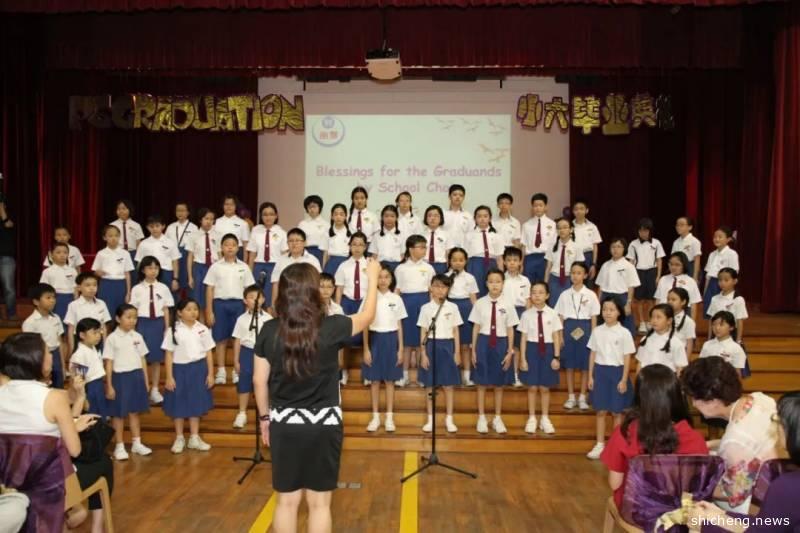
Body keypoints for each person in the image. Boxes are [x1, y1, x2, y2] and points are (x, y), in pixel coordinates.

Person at [253, 259, 380, 533]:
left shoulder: (268, 330)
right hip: (324, 425)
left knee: (286, 502)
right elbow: (368, 315)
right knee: (320, 504)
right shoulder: (332, 326)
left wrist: (265, 418)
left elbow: (259, 381)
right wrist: (372, 277)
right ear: (313, 291)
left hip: (284, 424)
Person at [0, 333, 102, 532]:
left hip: (8, 486)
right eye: (47, 352)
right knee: (102, 464)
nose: (51, 356)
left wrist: (74, 392)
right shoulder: (53, 398)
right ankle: (84, 515)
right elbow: (74, 450)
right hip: (45, 489)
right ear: (37, 360)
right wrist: (75, 425)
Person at [681, 357, 783, 512]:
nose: (694, 404)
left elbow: (734, 493)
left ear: (713, 400)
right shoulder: (760, 398)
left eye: (695, 398)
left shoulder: (734, 440)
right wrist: (710, 444)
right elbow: (752, 444)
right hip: (783, 475)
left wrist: (696, 488)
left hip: (763, 500)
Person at [600, 364, 708, 509]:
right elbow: (698, 484)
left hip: (636, 511)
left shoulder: (625, 433)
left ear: (639, 396)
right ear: (676, 396)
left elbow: (615, 484)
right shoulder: (694, 437)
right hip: (679, 512)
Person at [689, 391, 800, 532]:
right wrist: (721, 515)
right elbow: (771, 523)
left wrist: (705, 524)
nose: (775, 425)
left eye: (778, 421)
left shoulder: (787, 486)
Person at [162, 298, 216, 454]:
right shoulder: (173, 330)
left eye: (195, 309)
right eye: (188, 309)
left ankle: (194, 437)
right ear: (179, 313)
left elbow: (208, 352)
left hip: (198, 370)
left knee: (195, 404)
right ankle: (179, 437)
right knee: (178, 404)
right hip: (179, 370)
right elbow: (169, 355)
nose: (193, 312)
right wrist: (169, 376)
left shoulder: (203, 329)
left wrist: (210, 373)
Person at [586, 297, 636, 460]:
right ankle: (599, 444)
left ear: (619, 312)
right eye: (605, 309)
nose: (607, 312)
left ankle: (616, 445)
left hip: (617, 373)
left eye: (612, 309)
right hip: (600, 372)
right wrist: (591, 376)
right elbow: (593, 354)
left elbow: (627, 357)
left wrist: (624, 379)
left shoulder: (624, 333)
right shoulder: (597, 331)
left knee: (616, 412)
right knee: (600, 411)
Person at [470, 269, 518, 434]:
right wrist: (473, 349)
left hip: (501, 343)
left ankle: (497, 418)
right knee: (481, 383)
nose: (494, 285)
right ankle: (481, 417)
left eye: (498, 281)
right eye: (491, 281)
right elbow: (476, 327)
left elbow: (510, 329)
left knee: (499, 383)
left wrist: (510, 351)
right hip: (483, 342)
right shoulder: (480, 303)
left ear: (503, 284)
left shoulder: (508, 304)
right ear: (486, 284)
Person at [103, 304, 152, 461]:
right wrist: (109, 384)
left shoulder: (137, 336)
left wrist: (146, 381)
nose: (132, 320)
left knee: (135, 412)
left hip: (136, 376)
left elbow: (143, 359)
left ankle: (137, 442)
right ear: (118, 319)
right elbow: (109, 362)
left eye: (135, 317)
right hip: (120, 378)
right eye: (128, 317)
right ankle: (119, 445)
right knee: (119, 414)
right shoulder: (112, 338)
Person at [205, 234, 255, 385]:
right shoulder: (215, 267)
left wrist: (248, 310)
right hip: (220, 304)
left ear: (238, 248)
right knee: (220, 338)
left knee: (237, 339)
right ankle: (221, 370)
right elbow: (209, 289)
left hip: (239, 305)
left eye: (233, 245)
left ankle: (236, 370)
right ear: (221, 248)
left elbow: (249, 290)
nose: (230, 247)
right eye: (227, 244)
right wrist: (209, 311)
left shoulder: (244, 267)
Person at [362, 263, 407, 433]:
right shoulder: (370, 297)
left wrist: (400, 349)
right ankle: (375, 417)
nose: (382, 280)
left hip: (391, 340)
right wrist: (366, 348)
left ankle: (389, 417)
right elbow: (365, 324)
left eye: (386, 277)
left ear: (391, 279)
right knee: (374, 381)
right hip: (374, 339)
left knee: (389, 381)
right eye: (379, 277)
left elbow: (399, 325)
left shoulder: (396, 299)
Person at [418, 274, 462, 433]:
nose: (440, 289)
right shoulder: (425, 308)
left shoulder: (453, 307)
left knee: (449, 386)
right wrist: (423, 353)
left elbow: (456, 331)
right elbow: (423, 332)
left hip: (448, 346)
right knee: (430, 385)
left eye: (443, 287)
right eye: (436, 286)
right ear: (431, 288)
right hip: (431, 346)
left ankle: (449, 419)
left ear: (448, 289)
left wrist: (457, 352)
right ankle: (430, 419)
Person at [518, 281, 562, 435]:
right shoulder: (526, 315)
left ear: (547, 295)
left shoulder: (553, 313)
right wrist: (523, 358)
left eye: (541, 292)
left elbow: (556, 336)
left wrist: (556, 357)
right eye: (534, 292)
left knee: (544, 387)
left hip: (548, 351)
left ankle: (545, 418)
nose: (537, 295)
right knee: (532, 387)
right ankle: (532, 418)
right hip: (532, 350)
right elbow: (523, 338)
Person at [555, 262, 599, 411]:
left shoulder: (591, 294)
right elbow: (560, 317)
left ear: (585, 275)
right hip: (568, 329)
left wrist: (593, 336)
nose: (575, 276)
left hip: (585, 329)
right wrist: (560, 336)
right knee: (569, 366)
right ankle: (571, 396)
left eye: (579, 273)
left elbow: (594, 317)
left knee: (585, 366)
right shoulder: (564, 294)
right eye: (573, 272)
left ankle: (582, 397)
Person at [129, 256, 174, 404]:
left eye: (156, 268)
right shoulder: (136, 289)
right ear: (143, 270)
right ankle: (141, 389)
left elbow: (166, 309)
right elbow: (133, 310)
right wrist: (132, 329)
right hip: (142, 323)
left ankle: (154, 389)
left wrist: (166, 328)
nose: (153, 271)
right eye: (150, 268)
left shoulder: (163, 288)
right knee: (139, 357)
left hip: (157, 324)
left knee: (155, 359)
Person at [394, 235, 436, 387]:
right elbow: (397, 290)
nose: (424, 250)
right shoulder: (401, 268)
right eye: (421, 247)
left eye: (425, 247)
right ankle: (403, 375)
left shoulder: (429, 268)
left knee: (421, 342)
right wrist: (394, 307)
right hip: (406, 303)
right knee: (406, 342)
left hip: (423, 302)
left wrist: (432, 307)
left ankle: (421, 376)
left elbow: (432, 290)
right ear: (411, 249)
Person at [231, 285, 271, 429]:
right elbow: (237, 340)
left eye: (258, 297)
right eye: (251, 297)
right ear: (245, 301)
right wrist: (236, 360)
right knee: (244, 381)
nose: (255, 300)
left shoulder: (268, 318)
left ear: (263, 299)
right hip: (247, 352)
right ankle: (242, 413)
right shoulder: (241, 319)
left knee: (265, 381)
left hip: (264, 353)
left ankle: (265, 413)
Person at [334, 232, 369, 385]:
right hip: (347, 303)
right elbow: (339, 289)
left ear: (365, 247)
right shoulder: (343, 266)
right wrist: (337, 308)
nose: (357, 248)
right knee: (345, 338)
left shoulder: (370, 264)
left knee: (368, 338)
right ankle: (343, 370)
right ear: (349, 246)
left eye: (360, 244)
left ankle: (368, 373)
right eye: (354, 244)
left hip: (365, 302)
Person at [22, 284, 67, 389]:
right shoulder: (30, 322)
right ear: (36, 302)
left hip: (56, 354)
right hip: (40, 356)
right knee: (43, 387)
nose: (52, 300)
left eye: (54, 297)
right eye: (48, 297)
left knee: (59, 386)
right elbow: (29, 348)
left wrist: (63, 366)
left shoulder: (56, 318)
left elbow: (59, 342)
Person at [446, 248, 479, 387]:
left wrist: (477, 316)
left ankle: (467, 375)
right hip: (449, 309)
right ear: (449, 261)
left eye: (461, 260)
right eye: (454, 260)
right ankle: (452, 376)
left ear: (466, 261)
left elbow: (473, 299)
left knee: (465, 345)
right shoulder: (445, 277)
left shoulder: (470, 278)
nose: (457, 263)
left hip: (466, 309)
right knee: (451, 344)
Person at [626, 218, 665, 334]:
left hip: (652, 272)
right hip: (638, 272)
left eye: (645, 231)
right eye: (641, 231)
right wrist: (630, 277)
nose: (643, 233)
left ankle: (650, 321)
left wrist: (658, 276)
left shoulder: (656, 243)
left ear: (650, 231)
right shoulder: (633, 244)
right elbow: (631, 262)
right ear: (638, 231)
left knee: (651, 300)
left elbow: (659, 260)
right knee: (639, 300)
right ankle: (642, 322)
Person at [596, 238, 641, 336]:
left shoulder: (629, 266)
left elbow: (631, 286)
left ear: (624, 249)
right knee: (604, 326)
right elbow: (601, 285)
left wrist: (628, 303)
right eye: (613, 247)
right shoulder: (605, 265)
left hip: (622, 297)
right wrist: (598, 302)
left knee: (625, 327)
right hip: (606, 297)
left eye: (619, 247)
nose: (615, 249)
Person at [247, 201, 288, 307]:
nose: (268, 217)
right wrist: (249, 273)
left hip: (275, 267)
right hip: (258, 267)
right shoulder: (255, 231)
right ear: (261, 216)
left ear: (276, 216)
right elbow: (252, 254)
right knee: (257, 297)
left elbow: (285, 254)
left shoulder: (282, 233)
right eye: (265, 214)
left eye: (271, 214)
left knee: (272, 298)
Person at [270, 228, 322, 309]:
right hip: (286, 302)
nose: (294, 244)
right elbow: (275, 283)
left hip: (308, 302)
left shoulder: (313, 260)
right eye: (291, 241)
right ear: (287, 243)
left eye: (297, 240)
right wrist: (274, 304)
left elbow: (318, 283)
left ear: (304, 243)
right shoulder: (281, 260)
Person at [501, 246, 530, 387]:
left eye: (515, 260)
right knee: (505, 344)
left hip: (520, 313)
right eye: (509, 260)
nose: (512, 263)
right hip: (503, 313)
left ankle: (515, 375)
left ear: (520, 262)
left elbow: (528, 301)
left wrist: (528, 317)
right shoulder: (500, 279)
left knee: (517, 346)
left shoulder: (525, 280)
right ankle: (503, 375)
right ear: (504, 262)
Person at [92, 224, 134, 322]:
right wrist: (98, 273)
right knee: (106, 311)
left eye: (116, 235)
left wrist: (128, 292)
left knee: (121, 311)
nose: (113, 238)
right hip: (106, 284)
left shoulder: (125, 253)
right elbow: (95, 271)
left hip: (121, 284)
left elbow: (127, 274)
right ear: (104, 237)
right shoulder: (101, 253)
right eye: (110, 236)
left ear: (119, 237)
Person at [69, 318, 109, 417]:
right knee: (92, 419)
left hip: (98, 386)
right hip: (89, 389)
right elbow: (79, 380)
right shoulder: (79, 355)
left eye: (99, 332)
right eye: (94, 333)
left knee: (101, 417)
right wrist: (85, 400)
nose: (98, 336)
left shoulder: (93, 347)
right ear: (82, 335)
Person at [186, 207, 222, 314]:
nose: (209, 221)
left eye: (211, 219)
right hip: (199, 268)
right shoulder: (193, 235)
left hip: (214, 267)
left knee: (213, 297)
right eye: (206, 218)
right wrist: (190, 276)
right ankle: (201, 322)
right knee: (199, 299)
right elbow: (190, 256)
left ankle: (211, 321)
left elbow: (220, 254)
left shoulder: (218, 235)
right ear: (200, 220)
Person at [64, 273, 111, 352]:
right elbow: (70, 329)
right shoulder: (73, 305)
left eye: (95, 285)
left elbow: (104, 327)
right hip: (81, 340)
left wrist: (105, 346)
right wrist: (72, 348)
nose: (92, 288)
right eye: (88, 285)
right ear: (79, 288)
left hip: (97, 340)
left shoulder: (102, 303)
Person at [635, 304, 688, 374]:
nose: (654, 320)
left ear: (669, 320)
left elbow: (680, 368)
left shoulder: (676, 342)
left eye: (658, 317)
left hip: (666, 378)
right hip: (647, 377)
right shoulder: (645, 339)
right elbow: (640, 363)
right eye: (652, 317)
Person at [464, 206, 505, 297]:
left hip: (491, 264)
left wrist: (501, 275)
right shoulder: (469, 235)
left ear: (490, 218)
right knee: (475, 290)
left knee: (492, 290)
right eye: (479, 216)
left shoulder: (496, 236)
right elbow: (465, 257)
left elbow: (499, 258)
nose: (482, 219)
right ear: (475, 219)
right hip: (474, 265)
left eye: (485, 216)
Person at [135, 215, 181, 292]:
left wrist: (175, 279)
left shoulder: (170, 242)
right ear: (147, 227)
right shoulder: (143, 243)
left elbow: (175, 261)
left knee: (166, 296)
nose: (154, 229)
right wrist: (140, 278)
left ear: (163, 226)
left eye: (157, 226)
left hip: (166, 273)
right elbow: (139, 262)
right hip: (148, 274)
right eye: (151, 226)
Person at [544, 217, 584, 307]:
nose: (562, 230)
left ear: (571, 229)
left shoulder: (577, 247)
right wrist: (545, 284)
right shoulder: (551, 246)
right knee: (553, 306)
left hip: (569, 280)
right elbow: (548, 267)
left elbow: (580, 269)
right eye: (559, 228)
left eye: (565, 227)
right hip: (554, 280)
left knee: (568, 306)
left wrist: (577, 284)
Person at [654, 251, 703, 320]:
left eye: (677, 265)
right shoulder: (663, 279)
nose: (673, 267)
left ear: (684, 265)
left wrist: (692, 323)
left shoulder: (690, 281)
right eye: (671, 264)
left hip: (683, 314)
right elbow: (658, 300)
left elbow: (693, 304)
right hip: (664, 314)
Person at [703, 226, 739, 317]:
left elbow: (734, 273)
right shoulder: (712, 254)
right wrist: (705, 291)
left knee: (722, 312)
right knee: (711, 312)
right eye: (715, 237)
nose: (717, 239)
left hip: (724, 284)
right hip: (711, 284)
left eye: (720, 237)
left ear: (728, 239)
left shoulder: (732, 254)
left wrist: (727, 288)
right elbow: (708, 275)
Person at [521, 193, 556, 284]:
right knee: (528, 285)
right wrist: (521, 263)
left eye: (540, 205)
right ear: (532, 208)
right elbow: (524, 245)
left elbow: (555, 246)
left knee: (543, 285)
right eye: (535, 206)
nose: (538, 208)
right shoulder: (526, 225)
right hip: (530, 259)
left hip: (546, 258)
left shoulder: (553, 224)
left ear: (546, 207)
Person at [166, 201, 198, 299]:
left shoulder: (193, 227)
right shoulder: (171, 227)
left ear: (188, 212)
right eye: (178, 210)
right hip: (173, 258)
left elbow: (196, 246)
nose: (180, 213)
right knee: (174, 283)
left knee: (187, 283)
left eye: (183, 210)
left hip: (187, 257)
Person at [700, 311, 747, 376]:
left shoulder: (736, 348)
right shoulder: (707, 345)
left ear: (731, 327)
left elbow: (737, 373)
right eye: (714, 324)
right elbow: (701, 367)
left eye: (721, 325)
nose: (717, 328)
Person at [707, 268, 748, 341]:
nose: (722, 283)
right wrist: (709, 338)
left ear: (735, 281)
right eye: (720, 280)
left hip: (731, 334)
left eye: (726, 280)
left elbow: (739, 322)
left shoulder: (738, 299)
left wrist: (738, 340)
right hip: (716, 333)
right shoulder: (714, 299)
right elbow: (711, 320)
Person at [39, 242, 77, 322]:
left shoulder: (72, 271)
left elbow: (75, 288)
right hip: (54, 299)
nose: (62, 255)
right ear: (51, 254)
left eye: (65, 252)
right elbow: (43, 289)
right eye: (58, 252)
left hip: (69, 298)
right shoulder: (47, 271)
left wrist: (76, 302)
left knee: (69, 321)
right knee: (56, 321)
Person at [571, 199, 602, 283]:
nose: (579, 211)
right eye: (576, 209)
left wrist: (593, 264)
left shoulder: (592, 226)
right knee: (574, 282)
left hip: (588, 256)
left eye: (581, 209)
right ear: (573, 211)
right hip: (574, 256)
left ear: (586, 210)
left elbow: (595, 246)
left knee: (588, 283)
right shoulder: (570, 227)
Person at [368, 205, 404, 270]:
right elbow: (374, 255)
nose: (389, 219)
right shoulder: (377, 235)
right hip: (380, 266)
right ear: (382, 218)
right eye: (386, 216)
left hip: (397, 266)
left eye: (392, 216)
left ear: (396, 218)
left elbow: (403, 255)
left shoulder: (402, 235)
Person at [214, 194, 250, 259]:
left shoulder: (243, 223)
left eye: (231, 204)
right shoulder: (216, 222)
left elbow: (245, 245)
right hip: (220, 254)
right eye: (226, 204)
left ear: (235, 206)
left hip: (238, 254)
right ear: (223, 206)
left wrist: (245, 262)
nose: (229, 207)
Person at [321, 203, 351, 276]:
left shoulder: (351, 232)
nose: (338, 217)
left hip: (346, 262)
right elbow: (325, 254)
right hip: (331, 263)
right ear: (332, 216)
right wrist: (323, 269)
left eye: (341, 214)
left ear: (345, 216)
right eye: (336, 214)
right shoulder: (327, 232)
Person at [110, 199, 144, 263]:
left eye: (124, 208)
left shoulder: (136, 225)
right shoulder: (112, 225)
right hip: (117, 252)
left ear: (129, 210)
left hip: (132, 253)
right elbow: (109, 241)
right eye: (119, 209)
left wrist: (138, 257)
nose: (121, 211)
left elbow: (138, 243)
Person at [667, 287, 697, 358]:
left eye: (673, 299)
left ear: (683, 302)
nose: (670, 302)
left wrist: (686, 361)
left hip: (679, 356)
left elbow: (689, 343)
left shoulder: (688, 321)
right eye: (668, 299)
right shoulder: (664, 318)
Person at [422, 205, 452, 275]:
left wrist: (449, 268)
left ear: (441, 218)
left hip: (441, 266)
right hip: (424, 265)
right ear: (426, 218)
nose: (433, 218)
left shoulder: (446, 235)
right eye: (429, 216)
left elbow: (448, 253)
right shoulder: (421, 235)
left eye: (436, 216)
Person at [298, 195, 327, 265]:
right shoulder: (302, 224)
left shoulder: (326, 224)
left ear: (319, 207)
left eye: (314, 206)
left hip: (320, 253)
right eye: (309, 207)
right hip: (305, 252)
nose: (312, 209)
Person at [671, 216, 702, 282]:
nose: (678, 227)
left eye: (682, 225)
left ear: (690, 227)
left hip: (690, 268)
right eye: (677, 225)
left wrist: (695, 276)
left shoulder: (694, 241)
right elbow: (673, 258)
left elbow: (697, 260)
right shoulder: (676, 242)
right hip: (678, 268)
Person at [442, 184, 472, 248]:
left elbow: (470, 235)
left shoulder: (468, 216)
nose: (458, 197)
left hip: (462, 250)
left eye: (461, 195)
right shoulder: (442, 214)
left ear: (463, 198)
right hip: (445, 249)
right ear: (449, 196)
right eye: (455, 195)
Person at [0, 207, 15, 322]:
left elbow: (8, 223)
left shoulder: (7, 220)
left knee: (8, 288)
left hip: (6, 257)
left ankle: (11, 314)